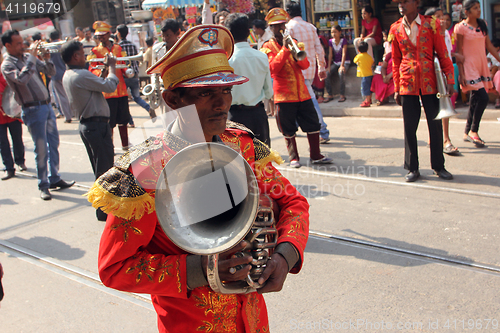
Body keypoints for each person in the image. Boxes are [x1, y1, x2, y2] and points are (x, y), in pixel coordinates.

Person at [88, 24, 309, 332]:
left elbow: (294, 203)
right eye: (206, 93)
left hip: (253, 320)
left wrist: (285, 255)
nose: (222, 104)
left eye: (226, 91)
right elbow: (114, 267)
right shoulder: (143, 171)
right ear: (172, 100)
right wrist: (199, 270)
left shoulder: (243, 145)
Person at [1, 29, 74, 199]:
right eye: (18, 43)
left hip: (46, 106)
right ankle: (43, 184)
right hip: (32, 109)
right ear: (8, 45)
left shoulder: (27, 58)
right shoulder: (7, 65)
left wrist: (47, 58)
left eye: (22, 42)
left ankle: (54, 178)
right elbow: (21, 79)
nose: (22, 46)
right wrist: (33, 57)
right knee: (41, 149)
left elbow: (51, 72)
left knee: (53, 144)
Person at [390, 0, 455, 182]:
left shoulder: (431, 24)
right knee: (409, 126)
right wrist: (396, 88)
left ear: (416, 3)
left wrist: (450, 78)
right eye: (400, 2)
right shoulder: (394, 29)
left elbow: (443, 53)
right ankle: (412, 168)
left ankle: (438, 166)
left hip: (430, 81)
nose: (401, 5)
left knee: (435, 125)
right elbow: (395, 60)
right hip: (406, 82)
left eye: (405, 1)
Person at [262, 8, 333, 168]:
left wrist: (295, 51)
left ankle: (316, 155)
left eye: (282, 25)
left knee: (313, 123)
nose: (280, 28)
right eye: (276, 26)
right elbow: (273, 68)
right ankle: (294, 158)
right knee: (288, 128)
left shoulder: (295, 41)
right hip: (283, 94)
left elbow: (305, 64)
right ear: (271, 28)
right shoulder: (267, 46)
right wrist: (286, 50)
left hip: (302, 92)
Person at [62, 40, 118, 221]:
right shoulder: (81, 75)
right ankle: (104, 211)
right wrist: (112, 68)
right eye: (82, 53)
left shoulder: (69, 74)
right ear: (75, 56)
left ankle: (104, 208)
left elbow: (94, 88)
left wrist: (101, 74)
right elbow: (110, 86)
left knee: (102, 167)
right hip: (95, 126)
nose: (85, 57)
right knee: (105, 170)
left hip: (90, 125)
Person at [456, 0, 500, 148]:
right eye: (475, 8)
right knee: (483, 97)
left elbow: (489, 46)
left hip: (480, 65)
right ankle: (474, 131)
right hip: (469, 67)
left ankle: (467, 131)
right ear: (467, 11)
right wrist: (461, 73)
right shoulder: (460, 28)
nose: (478, 10)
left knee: (475, 98)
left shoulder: (483, 25)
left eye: (479, 7)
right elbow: (460, 52)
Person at [225, 13, 273, 147]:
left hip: (234, 116)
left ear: (229, 34)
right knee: (261, 159)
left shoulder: (226, 60)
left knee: (238, 160)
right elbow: (269, 92)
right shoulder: (261, 56)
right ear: (248, 32)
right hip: (257, 114)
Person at [286, 2, 330, 144]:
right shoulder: (310, 27)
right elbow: (319, 48)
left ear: (287, 14)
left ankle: (322, 130)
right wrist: (321, 67)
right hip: (310, 69)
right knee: (303, 99)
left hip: (297, 70)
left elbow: (288, 50)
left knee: (310, 100)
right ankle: (300, 126)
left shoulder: (289, 28)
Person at [88, 21, 131, 151]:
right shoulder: (95, 51)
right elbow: (92, 68)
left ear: (108, 34)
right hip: (107, 93)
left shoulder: (118, 48)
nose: (101, 38)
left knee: (123, 120)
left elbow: (123, 63)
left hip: (121, 90)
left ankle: (125, 146)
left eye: (103, 35)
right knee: (110, 122)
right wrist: (102, 72)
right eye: (99, 36)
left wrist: (127, 71)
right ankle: (110, 148)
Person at [426, 7, 460, 155]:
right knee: (432, 108)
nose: (443, 20)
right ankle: (433, 137)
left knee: (444, 106)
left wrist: (449, 77)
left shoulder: (445, 33)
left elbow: (446, 55)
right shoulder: (426, 34)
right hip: (429, 75)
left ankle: (446, 139)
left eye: (444, 17)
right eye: (438, 17)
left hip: (442, 74)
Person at [116, 24, 153, 120]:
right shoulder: (132, 45)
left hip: (123, 76)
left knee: (124, 101)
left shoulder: (117, 47)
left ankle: (130, 120)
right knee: (137, 97)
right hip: (134, 74)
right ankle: (148, 108)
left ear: (119, 34)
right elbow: (136, 60)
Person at [0, 53, 26, 180]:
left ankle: (20, 161)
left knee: (17, 138)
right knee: (2, 142)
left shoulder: (5, 71)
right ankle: (9, 168)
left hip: (11, 111)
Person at [48, 30, 72, 123]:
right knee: (68, 94)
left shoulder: (49, 47)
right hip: (65, 72)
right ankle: (72, 113)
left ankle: (67, 116)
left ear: (51, 38)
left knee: (61, 96)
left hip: (55, 74)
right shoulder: (63, 45)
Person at [324, 25, 350, 103]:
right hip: (336, 63)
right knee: (326, 74)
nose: (333, 34)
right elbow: (330, 55)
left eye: (335, 32)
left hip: (345, 62)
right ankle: (330, 94)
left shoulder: (344, 40)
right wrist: (328, 67)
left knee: (341, 73)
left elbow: (344, 54)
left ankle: (342, 94)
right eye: (332, 32)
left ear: (340, 32)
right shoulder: (330, 42)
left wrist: (342, 66)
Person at [353, 41, 374, 107]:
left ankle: (367, 101)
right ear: (367, 49)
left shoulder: (359, 56)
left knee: (365, 88)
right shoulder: (369, 57)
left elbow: (354, 61)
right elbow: (372, 62)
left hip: (364, 75)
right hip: (369, 74)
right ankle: (369, 99)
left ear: (358, 50)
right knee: (369, 88)